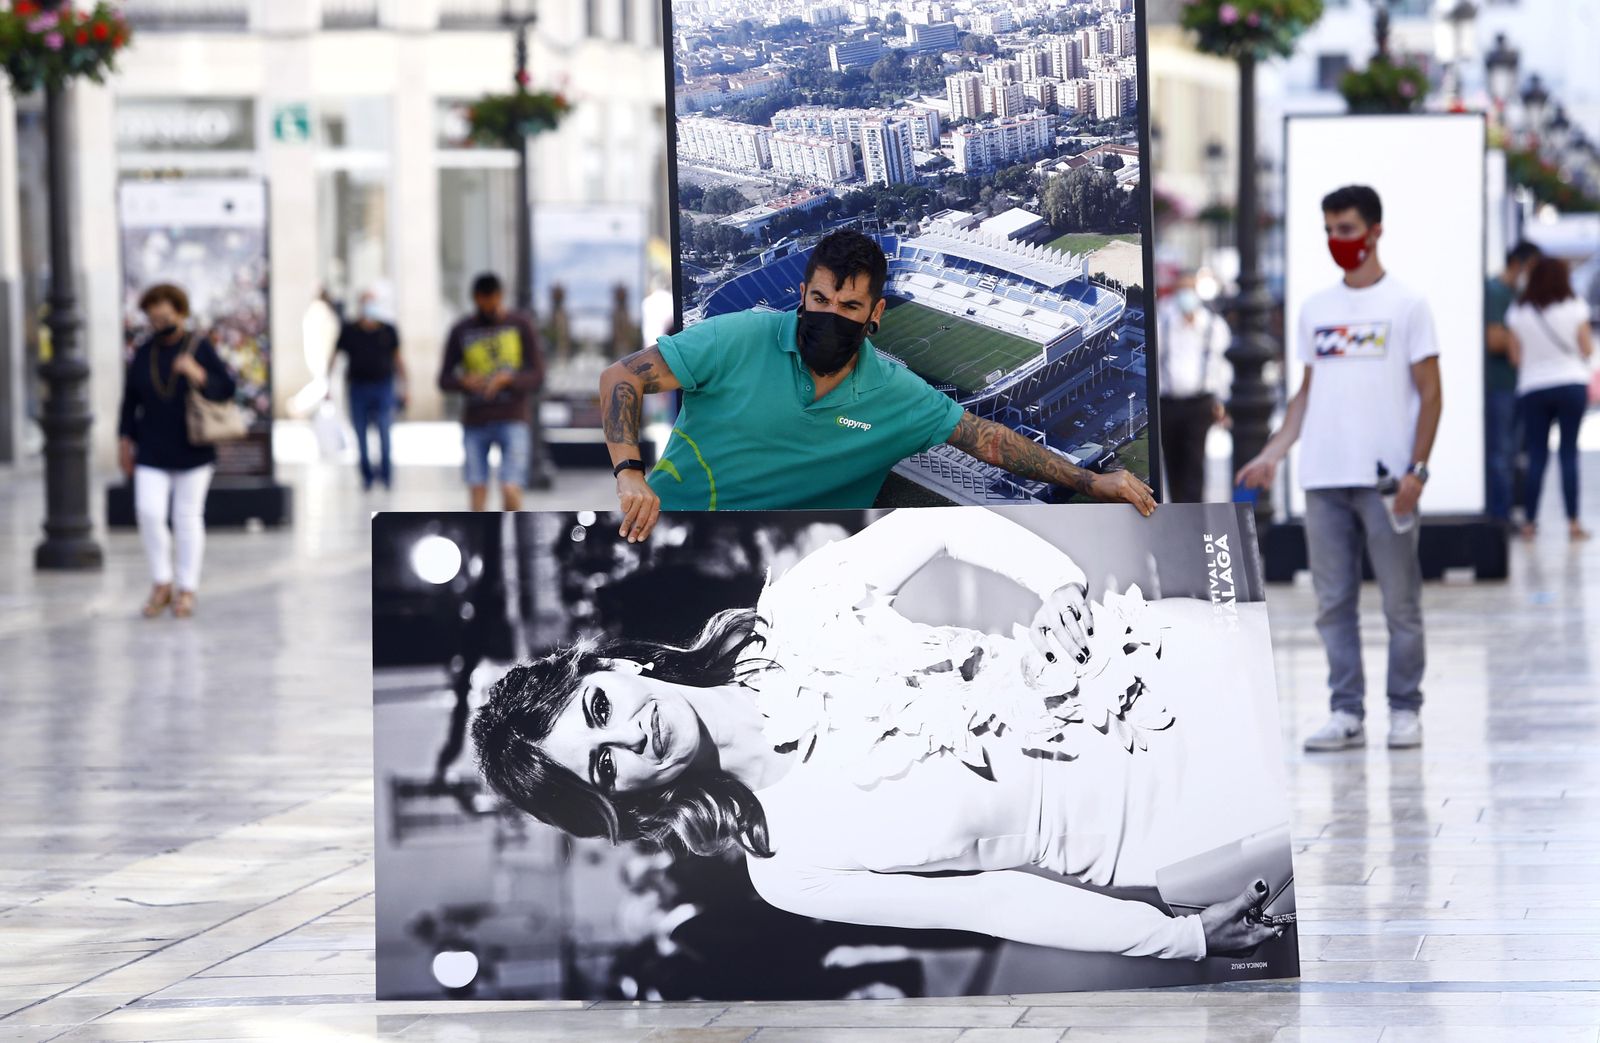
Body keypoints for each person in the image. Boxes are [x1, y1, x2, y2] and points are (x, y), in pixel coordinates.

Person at [473, 508, 1289, 963]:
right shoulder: (788, 871)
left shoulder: (790, 613)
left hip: (1166, 664)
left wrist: (1056, 587)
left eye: (598, 711)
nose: (630, 739)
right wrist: (1177, 937)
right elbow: (991, 900)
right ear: (628, 803)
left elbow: (940, 527)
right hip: (1156, 828)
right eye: (605, 768)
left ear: (611, 668)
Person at [599, 230, 1155, 542]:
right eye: (819, 301)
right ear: (802, 295)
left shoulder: (897, 394)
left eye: (849, 306)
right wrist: (629, 474)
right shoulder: (738, 337)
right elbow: (621, 376)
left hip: (798, 569)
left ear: (876, 313)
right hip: (663, 535)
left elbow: (986, 439)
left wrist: (1088, 480)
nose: (830, 315)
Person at [1236, 185, 1442, 753]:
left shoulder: (1408, 305)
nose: (1337, 241)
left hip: (1385, 483)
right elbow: (1306, 395)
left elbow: (1431, 395)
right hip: (1322, 480)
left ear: (1375, 231)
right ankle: (1345, 711)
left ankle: (1405, 708)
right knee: (1332, 605)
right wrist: (1273, 453)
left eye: (1346, 229)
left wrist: (1416, 472)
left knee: (1400, 601)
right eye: (1329, 230)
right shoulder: (1315, 309)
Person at [117, 283, 239, 619]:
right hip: (152, 447)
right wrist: (123, 440)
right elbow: (129, 401)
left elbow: (227, 388)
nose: (159, 321)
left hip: (193, 447)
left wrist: (197, 373)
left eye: (166, 314)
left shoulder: (199, 346)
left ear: (180, 313)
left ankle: (187, 588)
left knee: (187, 518)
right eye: (153, 315)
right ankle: (162, 581)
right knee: (149, 512)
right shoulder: (144, 352)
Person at [438, 273, 546, 511]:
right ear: (476, 299)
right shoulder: (461, 330)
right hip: (476, 418)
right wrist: (464, 382)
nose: (490, 307)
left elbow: (537, 374)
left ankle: (515, 536)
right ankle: (481, 539)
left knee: (511, 486)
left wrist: (509, 379)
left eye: (494, 301)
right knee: (477, 487)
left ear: (501, 297)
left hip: (512, 416)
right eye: (484, 302)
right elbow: (444, 379)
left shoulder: (520, 325)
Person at [1506, 255, 1594, 542]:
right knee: (1568, 453)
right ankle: (1573, 523)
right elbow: (1587, 348)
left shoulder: (1518, 311)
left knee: (1537, 455)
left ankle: (1530, 523)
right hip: (1571, 383)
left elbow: (1515, 357)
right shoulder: (1574, 306)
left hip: (1533, 387)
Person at [1156, 272, 1232, 502]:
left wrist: (1222, 402)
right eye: (1182, 289)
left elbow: (1222, 365)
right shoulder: (1164, 321)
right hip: (1168, 403)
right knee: (1172, 460)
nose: (1186, 295)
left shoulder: (1212, 325)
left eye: (1190, 289)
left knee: (1195, 462)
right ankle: (1179, 511)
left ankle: (1195, 517)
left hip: (1200, 403)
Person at [1484, 241, 1541, 523]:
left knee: (1512, 456)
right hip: (1500, 388)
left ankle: (1506, 513)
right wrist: (1525, 339)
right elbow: (1494, 340)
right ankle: (1499, 518)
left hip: (1520, 386)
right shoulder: (1495, 292)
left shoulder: (1517, 295)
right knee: (1500, 457)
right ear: (1519, 264)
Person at [327, 289, 407, 490]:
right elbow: (334, 356)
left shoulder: (388, 330)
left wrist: (405, 387)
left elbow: (398, 360)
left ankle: (387, 475)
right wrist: (326, 384)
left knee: (384, 430)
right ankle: (367, 476)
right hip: (358, 388)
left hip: (383, 386)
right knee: (360, 433)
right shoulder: (350, 330)